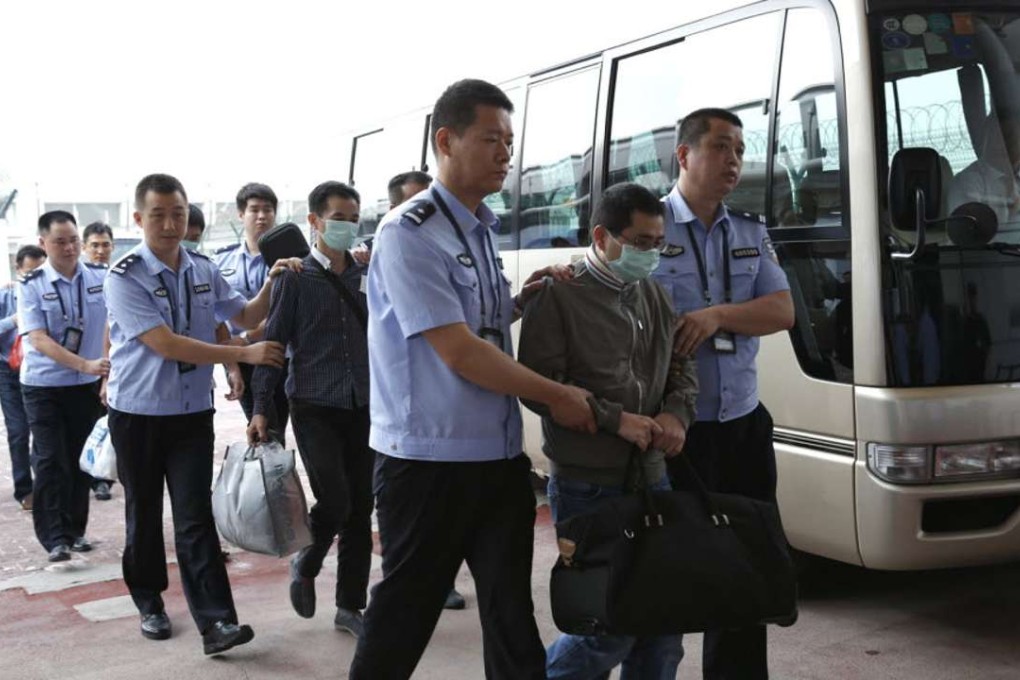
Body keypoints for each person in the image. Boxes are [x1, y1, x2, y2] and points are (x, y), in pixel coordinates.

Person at [348, 78, 596, 680]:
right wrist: (556, 395)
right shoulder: (409, 232)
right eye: (491, 139)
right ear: (446, 141)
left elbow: (479, 325)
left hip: (495, 455)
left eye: (510, 142)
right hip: (428, 461)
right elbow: (458, 351)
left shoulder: (482, 227)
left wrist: (520, 302)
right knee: (405, 612)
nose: (505, 155)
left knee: (512, 612)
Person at [105, 173, 291, 655]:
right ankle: (149, 601)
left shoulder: (204, 269)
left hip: (190, 416)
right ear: (140, 218)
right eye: (160, 215)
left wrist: (273, 280)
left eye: (179, 214)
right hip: (138, 415)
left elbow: (245, 317)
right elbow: (165, 344)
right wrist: (242, 357)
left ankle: (217, 624)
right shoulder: (124, 276)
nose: (170, 224)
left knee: (194, 518)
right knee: (143, 515)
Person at [518, 182, 699, 679]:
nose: (651, 254)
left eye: (658, 243)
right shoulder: (559, 294)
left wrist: (676, 415)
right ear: (602, 236)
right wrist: (614, 420)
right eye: (640, 243)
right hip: (588, 483)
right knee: (608, 627)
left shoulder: (654, 294)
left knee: (663, 628)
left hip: (653, 477)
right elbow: (539, 388)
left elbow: (682, 365)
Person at [654, 108, 794, 680]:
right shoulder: (647, 226)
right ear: (684, 155)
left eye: (739, 149)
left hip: (741, 424)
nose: (733, 160)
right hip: (675, 432)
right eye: (719, 147)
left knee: (747, 567)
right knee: (670, 572)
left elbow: (781, 310)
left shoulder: (749, 230)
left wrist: (715, 316)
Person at [248, 180, 373, 636]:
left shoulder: (365, 273)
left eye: (353, 219)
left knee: (362, 507)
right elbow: (274, 342)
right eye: (337, 218)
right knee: (336, 498)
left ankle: (350, 607)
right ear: (315, 222)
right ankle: (309, 559)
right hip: (314, 404)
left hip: (364, 402)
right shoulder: (295, 276)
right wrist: (262, 407)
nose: (346, 227)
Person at [18, 211, 108, 562]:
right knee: (51, 458)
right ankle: (54, 537)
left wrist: (101, 373)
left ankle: (75, 531)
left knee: (79, 459)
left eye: (73, 240)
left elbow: (110, 326)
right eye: (60, 241)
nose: (69, 247)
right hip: (43, 385)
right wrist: (84, 363)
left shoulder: (101, 278)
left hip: (84, 385)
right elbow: (38, 339)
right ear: (43, 243)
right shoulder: (31, 284)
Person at [213, 183, 290, 439]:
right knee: (263, 429)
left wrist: (246, 339)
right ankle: (272, 476)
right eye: (254, 210)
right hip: (241, 356)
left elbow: (284, 310)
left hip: (281, 356)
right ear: (240, 215)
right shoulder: (221, 261)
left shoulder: (290, 259)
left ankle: (273, 476)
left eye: (267, 210)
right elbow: (217, 317)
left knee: (273, 427)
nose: (261, 216)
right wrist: (232, 364)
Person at [0, 245, 46, 510]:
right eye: (29, 273)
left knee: (42, 430)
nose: (34, 280)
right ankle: (24, 489)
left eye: (39, 272)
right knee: (18, 431)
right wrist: (14, 320)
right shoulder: (6, 297)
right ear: (18, 270)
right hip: (9, 371)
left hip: (40, 371)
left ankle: (45, 484)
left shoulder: (50, 296)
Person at [81, 221, 117, 501]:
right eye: (94, 245)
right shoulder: (80, 279)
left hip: (108, 366)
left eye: (105, 244)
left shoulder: (119, 276)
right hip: (79, 367)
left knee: (106, 423)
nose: (100, 250)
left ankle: (102, 478)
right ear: (84, 248)